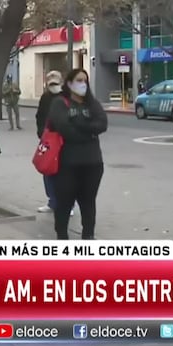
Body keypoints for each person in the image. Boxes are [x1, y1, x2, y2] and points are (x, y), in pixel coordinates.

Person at [47, 69, 108, 240]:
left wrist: (79, 123)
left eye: (85, 80)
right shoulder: (60, 103)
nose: (82, 84)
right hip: (67, 165)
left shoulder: (92, 103)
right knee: (64, 204)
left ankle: (88, 236)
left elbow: (102, 124)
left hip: (92, 164)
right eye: (79, 80)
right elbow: (65, 129)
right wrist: (89, 131)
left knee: (88, 203)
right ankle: (62, 237)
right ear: (69, 83)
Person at [35, 71, 73, 217]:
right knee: (48, 169)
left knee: (65, 172)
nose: (53, 87)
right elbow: (40, 116)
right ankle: (52, 202)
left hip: (64, 140)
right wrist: (41, 133)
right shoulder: (45, 97)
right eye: (50, 84)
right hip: (48, 139)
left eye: (55, 84)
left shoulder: (67, 97)